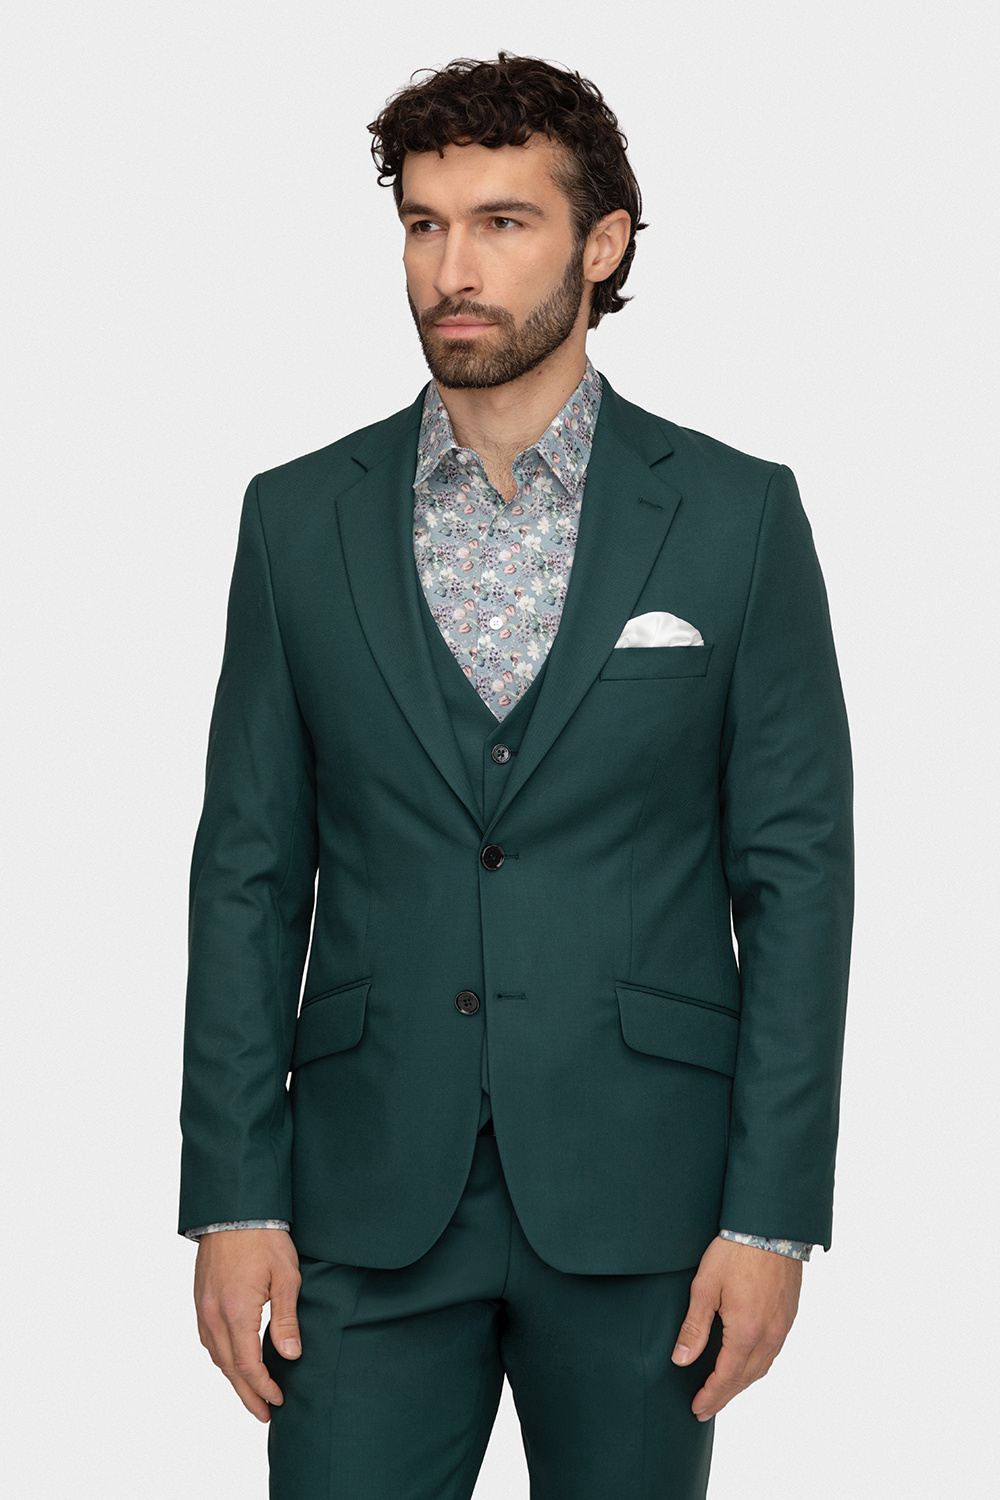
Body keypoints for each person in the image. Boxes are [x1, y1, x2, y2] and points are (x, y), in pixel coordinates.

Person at [178, 51, 854, 1500]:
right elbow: (246, 872)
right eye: (425, 225)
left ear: (602, 244)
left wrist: (772, 1217)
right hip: (361, 1200)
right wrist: (231, 1196)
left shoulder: (735, 517)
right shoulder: (297, 521)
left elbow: (797, 879)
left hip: (645, 1197)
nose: (452, 271)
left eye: (502, 222)